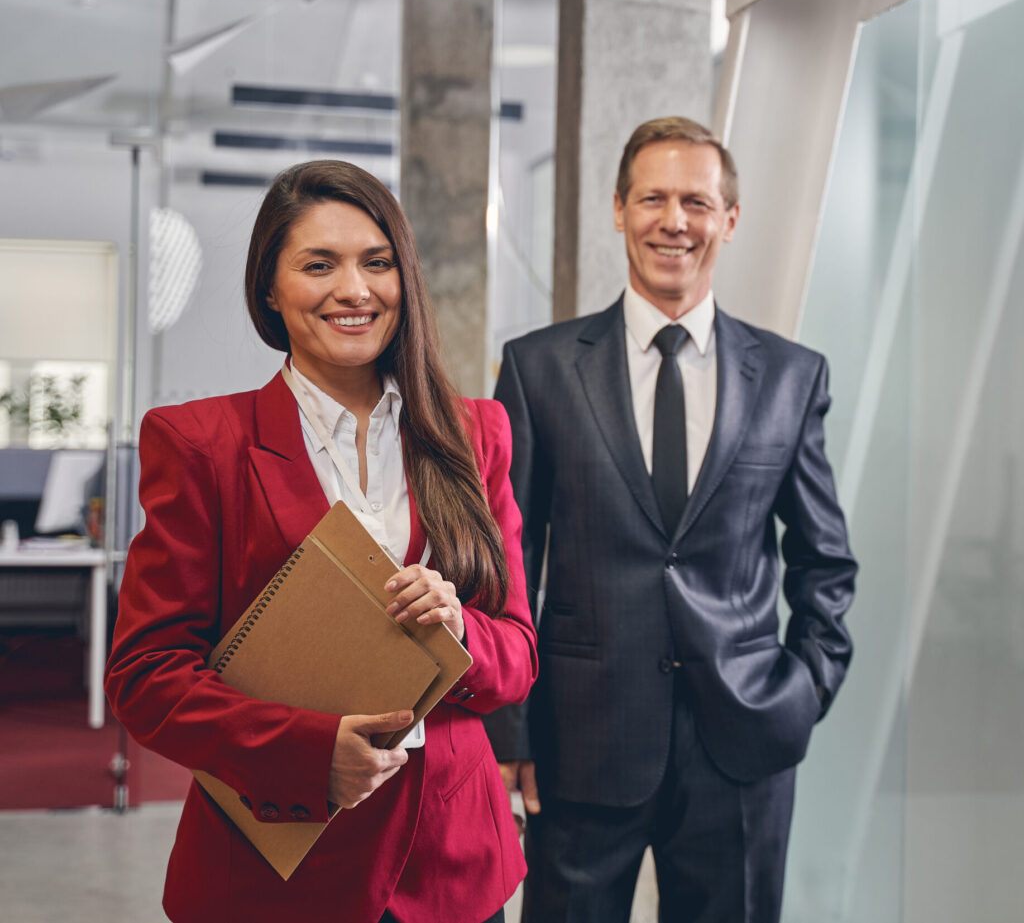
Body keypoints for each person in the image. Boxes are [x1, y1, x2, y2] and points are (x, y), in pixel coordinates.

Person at [105, 160, 538, 923]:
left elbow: (519, 652)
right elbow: (146, 674)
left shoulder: (474, 435)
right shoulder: (203, 443)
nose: (355, 290)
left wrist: (457, 628)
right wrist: (306, 752)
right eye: (318, 264)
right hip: (278, 867)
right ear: (270, 288)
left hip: (449, 862)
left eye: (377, 263)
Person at [485, 117, 857, 923]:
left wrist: (804, 688)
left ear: (729, 219)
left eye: (697, 200)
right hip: (580, 743)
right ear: (618, 209)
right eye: (653, 197)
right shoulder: (538, 367)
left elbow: (825, 561)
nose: (674, 220)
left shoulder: (792, 377)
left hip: (745, 745)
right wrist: (509, 731)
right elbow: (506, 559)